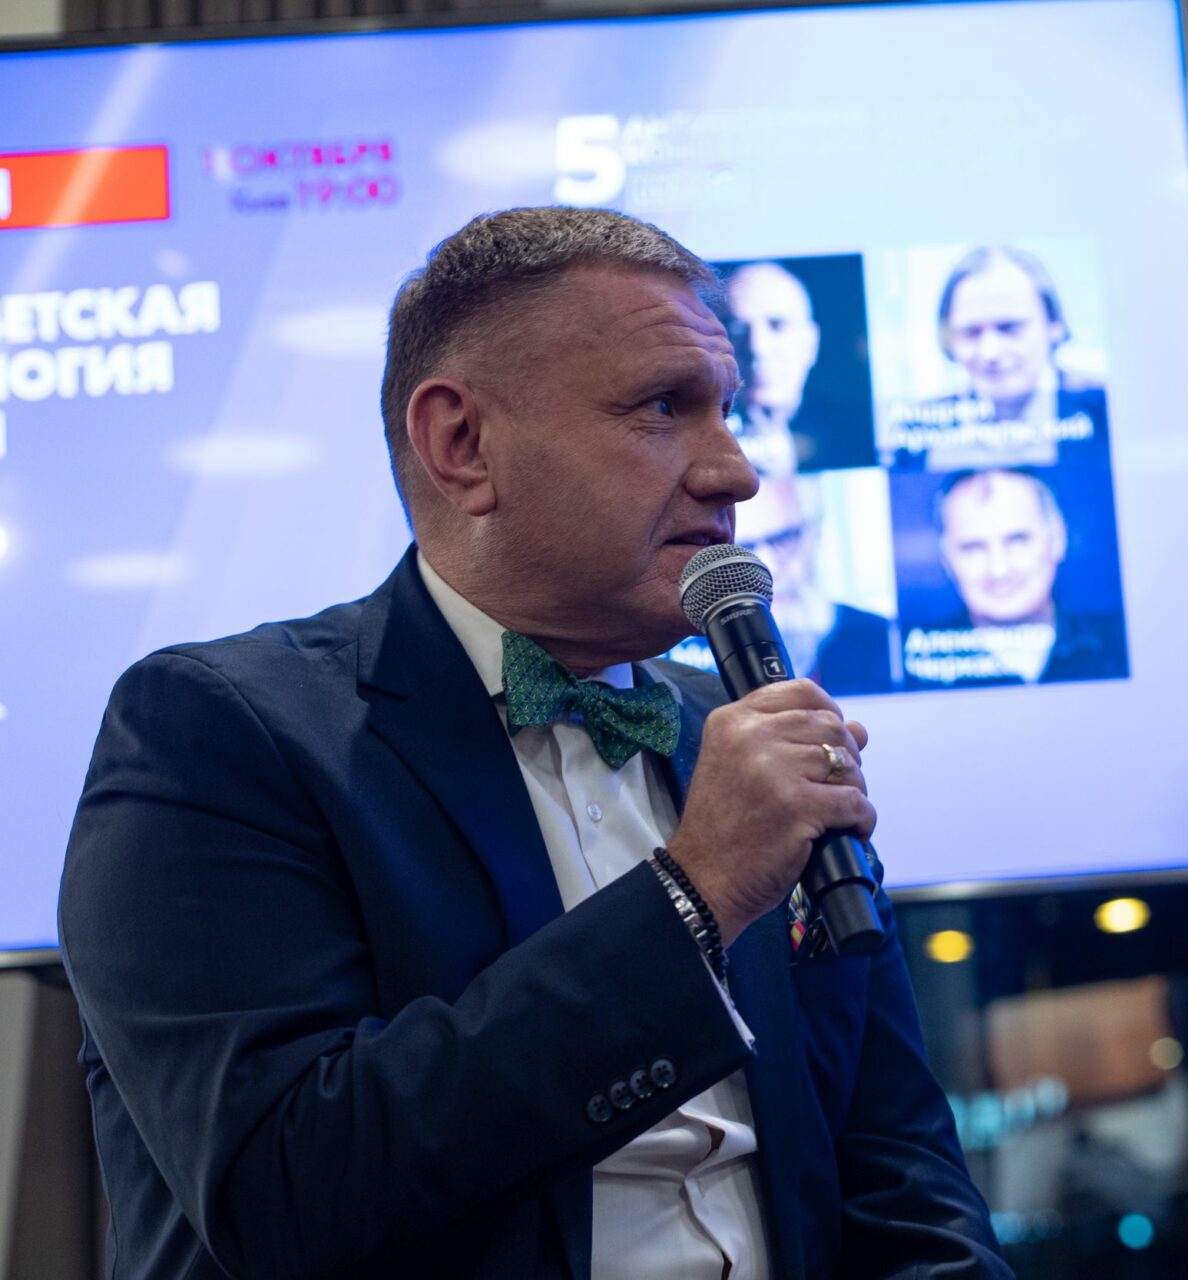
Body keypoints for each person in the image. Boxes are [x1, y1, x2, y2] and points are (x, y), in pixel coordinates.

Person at [59, 207, 1008, 1280]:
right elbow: (290, 1196)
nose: (736, 472)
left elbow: (903, 1179)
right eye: (664, 407)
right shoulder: (217, 729)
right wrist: (694, 894)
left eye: (730, 411)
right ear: (462, 445)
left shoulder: (736, 728)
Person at [886, 247, 1108, 473]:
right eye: (971, 332)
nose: (989, 352)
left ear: (1054, 325)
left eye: (1009, 328)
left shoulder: (1108, 409)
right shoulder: (917, 430)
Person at [903, 468, 1125, 687]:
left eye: (1018, 540)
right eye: (973, 548)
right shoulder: (909, 668)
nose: (999, 570)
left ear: (1057, 538)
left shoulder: (1123, 644)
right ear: (945, 558)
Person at [734, 474, 895, 695]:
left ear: (815, 533)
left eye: (784, 539)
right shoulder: (700, 652)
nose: (769, 567)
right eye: (744, 548)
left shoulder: (883, 638)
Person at [723, 258, 874, 475]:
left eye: (777, 325)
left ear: (810, 343)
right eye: (737, 329)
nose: (758, 347)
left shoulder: (858, 436)